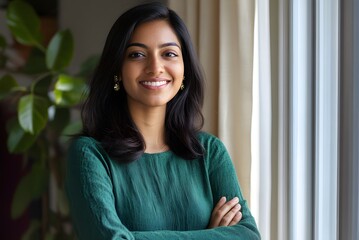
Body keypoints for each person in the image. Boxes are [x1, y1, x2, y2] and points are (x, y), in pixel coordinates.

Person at [65, 2, 260, 239]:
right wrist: (211, 235)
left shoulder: (209, 151)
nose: (155, 67)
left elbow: (248, 235)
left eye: (169, 54)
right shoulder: (89, 155)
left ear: (184, 68)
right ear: (117, 68)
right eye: (137, 54)